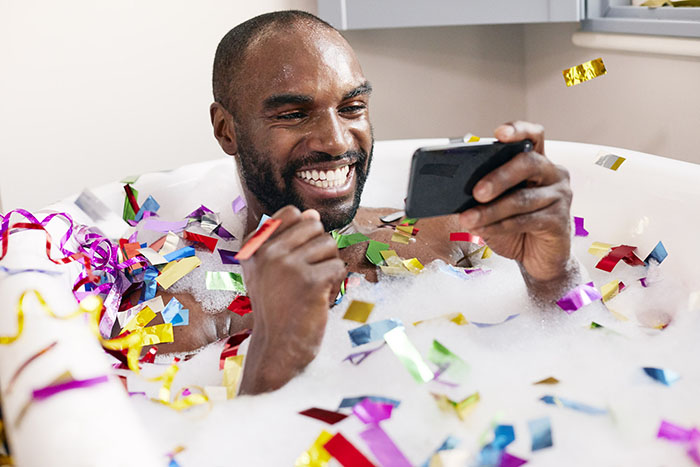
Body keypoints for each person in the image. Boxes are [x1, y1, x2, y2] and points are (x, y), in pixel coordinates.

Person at [161, 10, 577, 395]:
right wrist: (274, 353)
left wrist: (552, 276)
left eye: (351, 107)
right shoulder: (190, 311)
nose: (337, 141)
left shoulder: (449, 233)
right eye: (292, 114)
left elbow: (578, 363)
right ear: (226, 130)